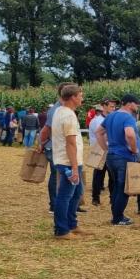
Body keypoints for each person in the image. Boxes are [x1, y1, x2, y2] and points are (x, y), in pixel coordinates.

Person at [97, 93, 140, 226]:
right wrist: (134, 149)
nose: (138, 106)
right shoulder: (128, 117)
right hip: (124, 157)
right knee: (124, 188)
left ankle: (116, 215)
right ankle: (118, 218)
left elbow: (99, 132)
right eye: (136, 103)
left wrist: (105, 148)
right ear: (129, 104)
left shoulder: (110, 116)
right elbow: (130, 134)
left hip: (111, 156)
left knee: (116, 186)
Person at [51, 85, 86, 239]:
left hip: (67, 160)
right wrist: (74, 167)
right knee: (65, 196)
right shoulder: (68, 116)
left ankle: (72, 224)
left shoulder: (60, 111)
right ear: (73, 97)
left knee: (77, 193)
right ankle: (61, 230)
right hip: (68, 162)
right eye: (80, 95)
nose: (82, 98)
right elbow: (70, 143)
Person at [37, 84, 74, 213]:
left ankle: (68, 204)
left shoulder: (64, 108)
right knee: (56, 175)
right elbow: (45, 130)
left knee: (62, 175)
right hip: (54, 148)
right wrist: (41, 144)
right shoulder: (56, 110)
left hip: (58, 147)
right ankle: (54, 205)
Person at [89, 100, 116, 206]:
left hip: (110, 150)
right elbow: (101, 136)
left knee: (112, 176)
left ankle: (112, 198)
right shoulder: (97, 121)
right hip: (100, 150)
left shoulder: (111, 119)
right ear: (104, 106)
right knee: (98, 175)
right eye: (111, 106)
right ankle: (95, 198)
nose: (113, 108)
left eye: (114, 107)